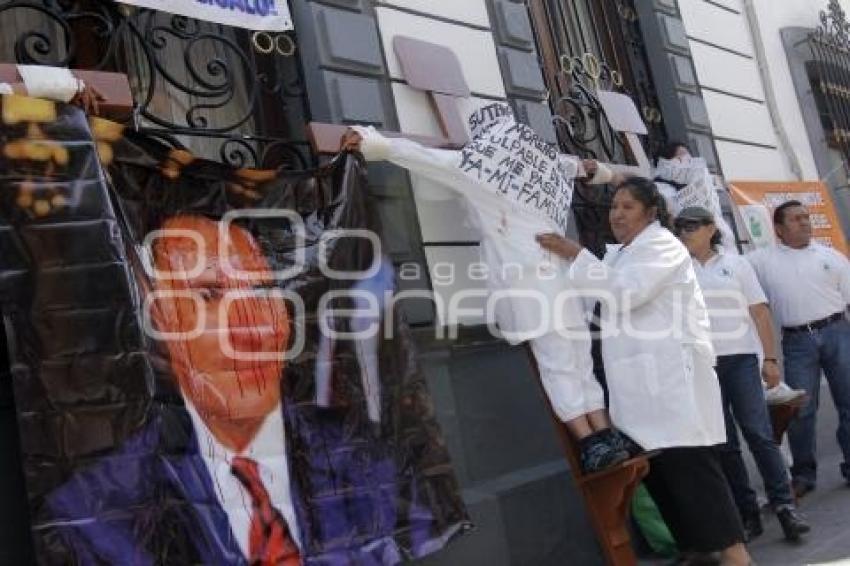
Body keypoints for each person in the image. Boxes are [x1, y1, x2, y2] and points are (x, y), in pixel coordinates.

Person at [42, 214, 447, 565]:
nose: (252, 328)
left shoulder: (374, 462)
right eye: (210, 294)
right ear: (157, 323)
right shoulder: (96, 516)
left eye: (260, 291)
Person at [342, 100, 630, 473]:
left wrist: (375, 144)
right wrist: (612, 175)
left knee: (564, 362)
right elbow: (584, 168)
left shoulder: (480, 166)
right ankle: (598, 437)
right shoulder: (537, 164)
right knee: (572, 360)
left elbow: (425, 158)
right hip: (552, 281)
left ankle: (595, 440)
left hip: (536, 284)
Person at [537, 178, 750, 565]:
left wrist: (576, 254)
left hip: (673, 382)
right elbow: (601, 296)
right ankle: (697, 551)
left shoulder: (663, 245)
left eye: (628, 207)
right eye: (614, 206)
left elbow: (624, 293)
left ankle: (737, 557)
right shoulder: (622, 253)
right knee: (662, 476)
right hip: (641, 389)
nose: (617, 214)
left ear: (650, 213)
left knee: (694, 473)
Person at [675, 206, 810, 542]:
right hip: (702, 364)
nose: (684, 232)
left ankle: (784, 508)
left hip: (741, 359)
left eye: (691, 226)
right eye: (679, 227)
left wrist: (770, 359)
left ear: (710, 228)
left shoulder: (736, 264)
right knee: (725, 444)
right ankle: (748, 513)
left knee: (759, 434)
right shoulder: (675, 269)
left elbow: (760, 314)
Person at [747, 200, 850, 496]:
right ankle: (803, 475)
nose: (804, 222)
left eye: (806, 217)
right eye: (795, 219)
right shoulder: (761, 261)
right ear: (778, 229)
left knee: (848, 401)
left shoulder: (831, 256)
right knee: (800, 410)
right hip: (796, 342)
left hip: (838, 332)